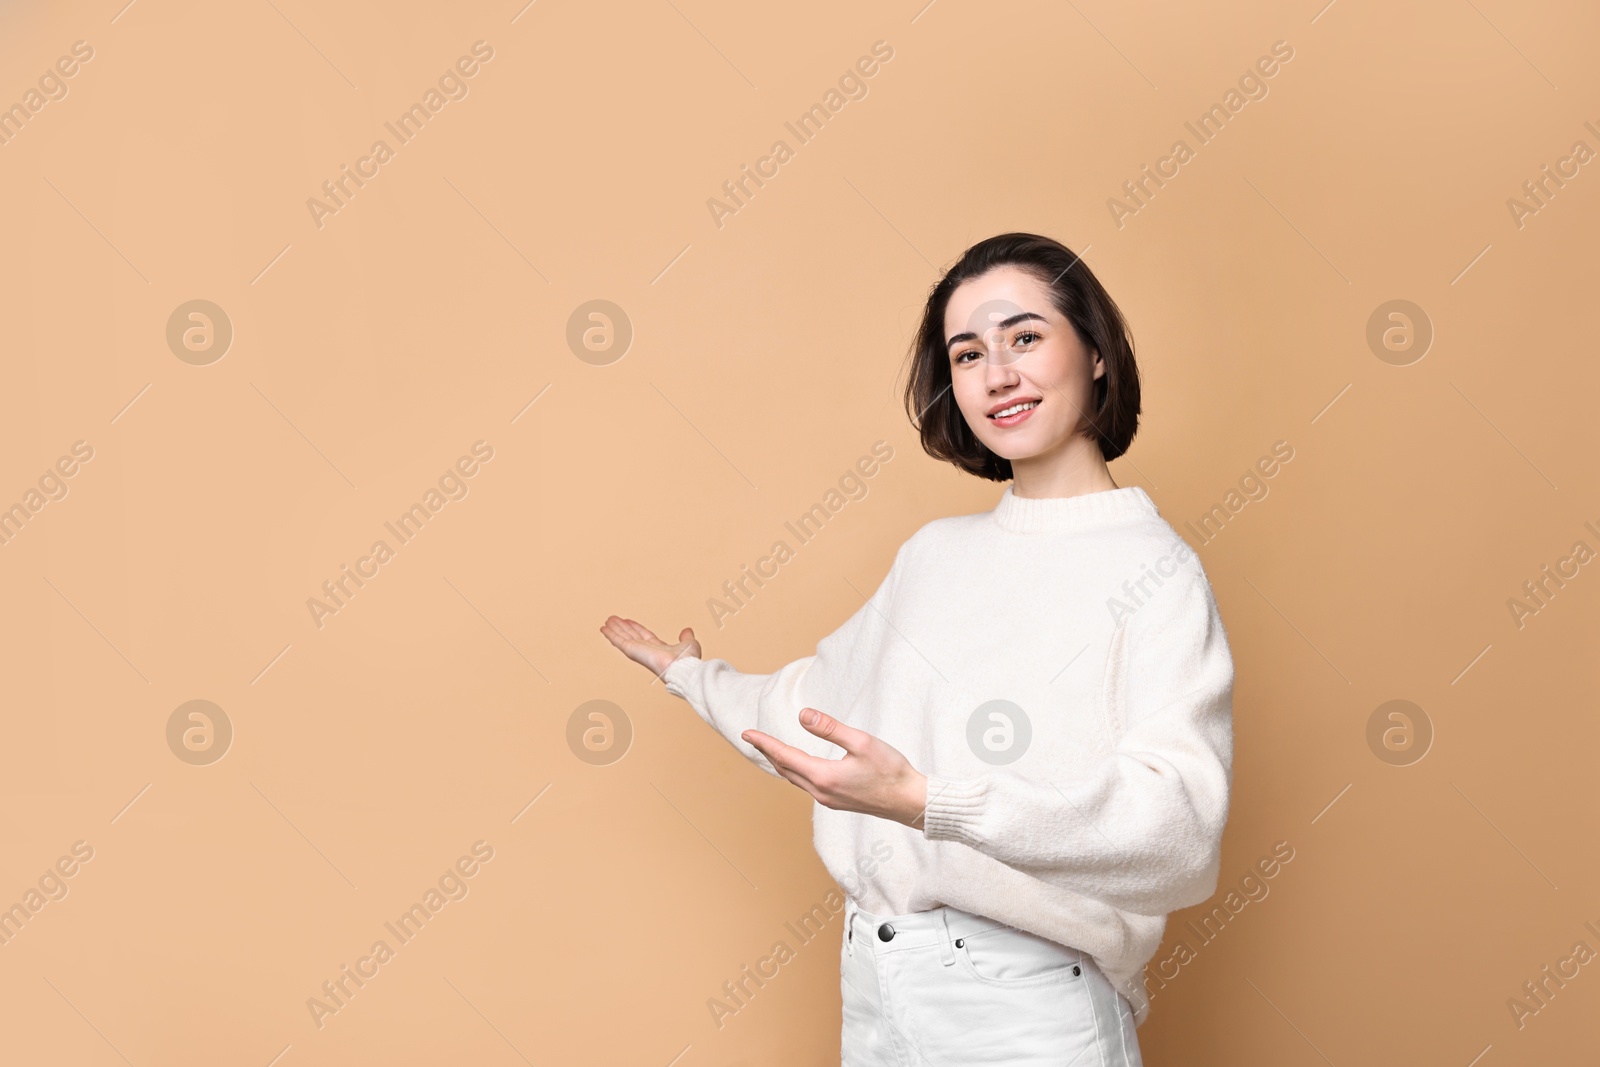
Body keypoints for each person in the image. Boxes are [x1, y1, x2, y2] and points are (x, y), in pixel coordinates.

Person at [601, 232, 1235, 1065]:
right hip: (875, 976)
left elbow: (1180, 835)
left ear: (1098, 352)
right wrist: (693, 677)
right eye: (967, 352)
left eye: (1027, 337)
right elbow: (816, 707)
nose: (997, 374)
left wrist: (928, 801)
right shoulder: (934, 554)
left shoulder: (1155, 571)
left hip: (1027, 1006)